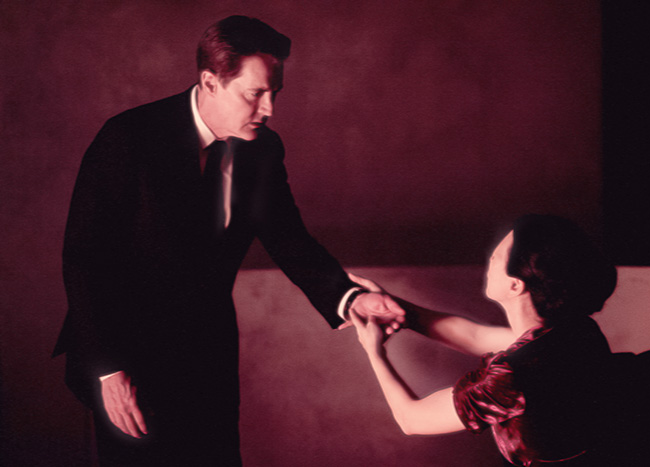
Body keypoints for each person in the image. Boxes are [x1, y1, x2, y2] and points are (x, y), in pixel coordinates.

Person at [52, 16, 402, 467]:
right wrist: (109, 370)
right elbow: (85, 259)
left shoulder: (263, 149)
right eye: (255, 93)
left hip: (208, 353)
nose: (269, 108)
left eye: (275, 92)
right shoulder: (127, 138)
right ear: (210, 82)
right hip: (127, 356)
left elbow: (290, 240)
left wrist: (350, 298)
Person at [350, 215, 619, 466]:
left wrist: (373, 351)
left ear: (515, 285)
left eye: (495, 257)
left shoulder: (512, 377)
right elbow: (474, 336)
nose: (488, 260)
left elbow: (411, 419)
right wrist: (395, 307)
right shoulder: (575, 332)